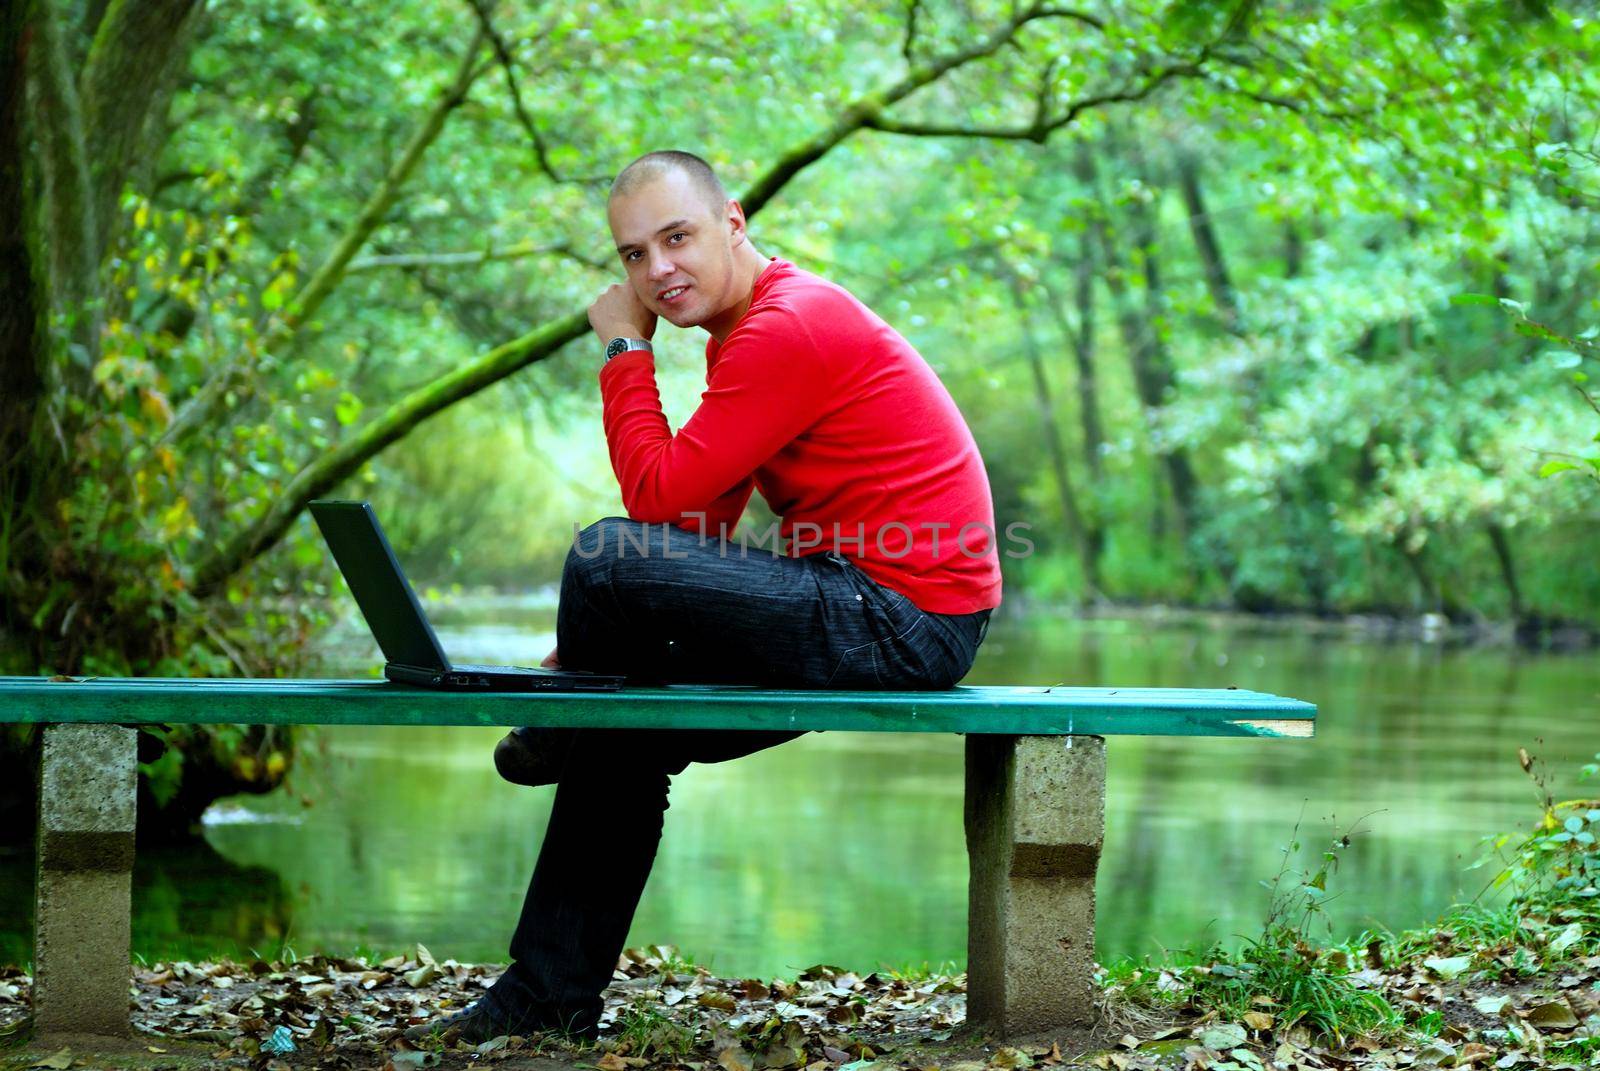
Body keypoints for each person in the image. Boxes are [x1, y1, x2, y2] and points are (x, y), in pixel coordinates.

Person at [406, 150, 1002, 1043]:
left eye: (676, 238)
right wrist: (609, 643)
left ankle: (565, 720)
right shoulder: (747, 335)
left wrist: (623, 349)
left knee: (605, 558)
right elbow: (694, 525)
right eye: (634, 256)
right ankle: (545, 1000)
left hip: (903, 617)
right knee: (627, 715)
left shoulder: (787, 326)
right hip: (861, 599)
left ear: (734, 220)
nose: (656, 272)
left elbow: (652, 510)